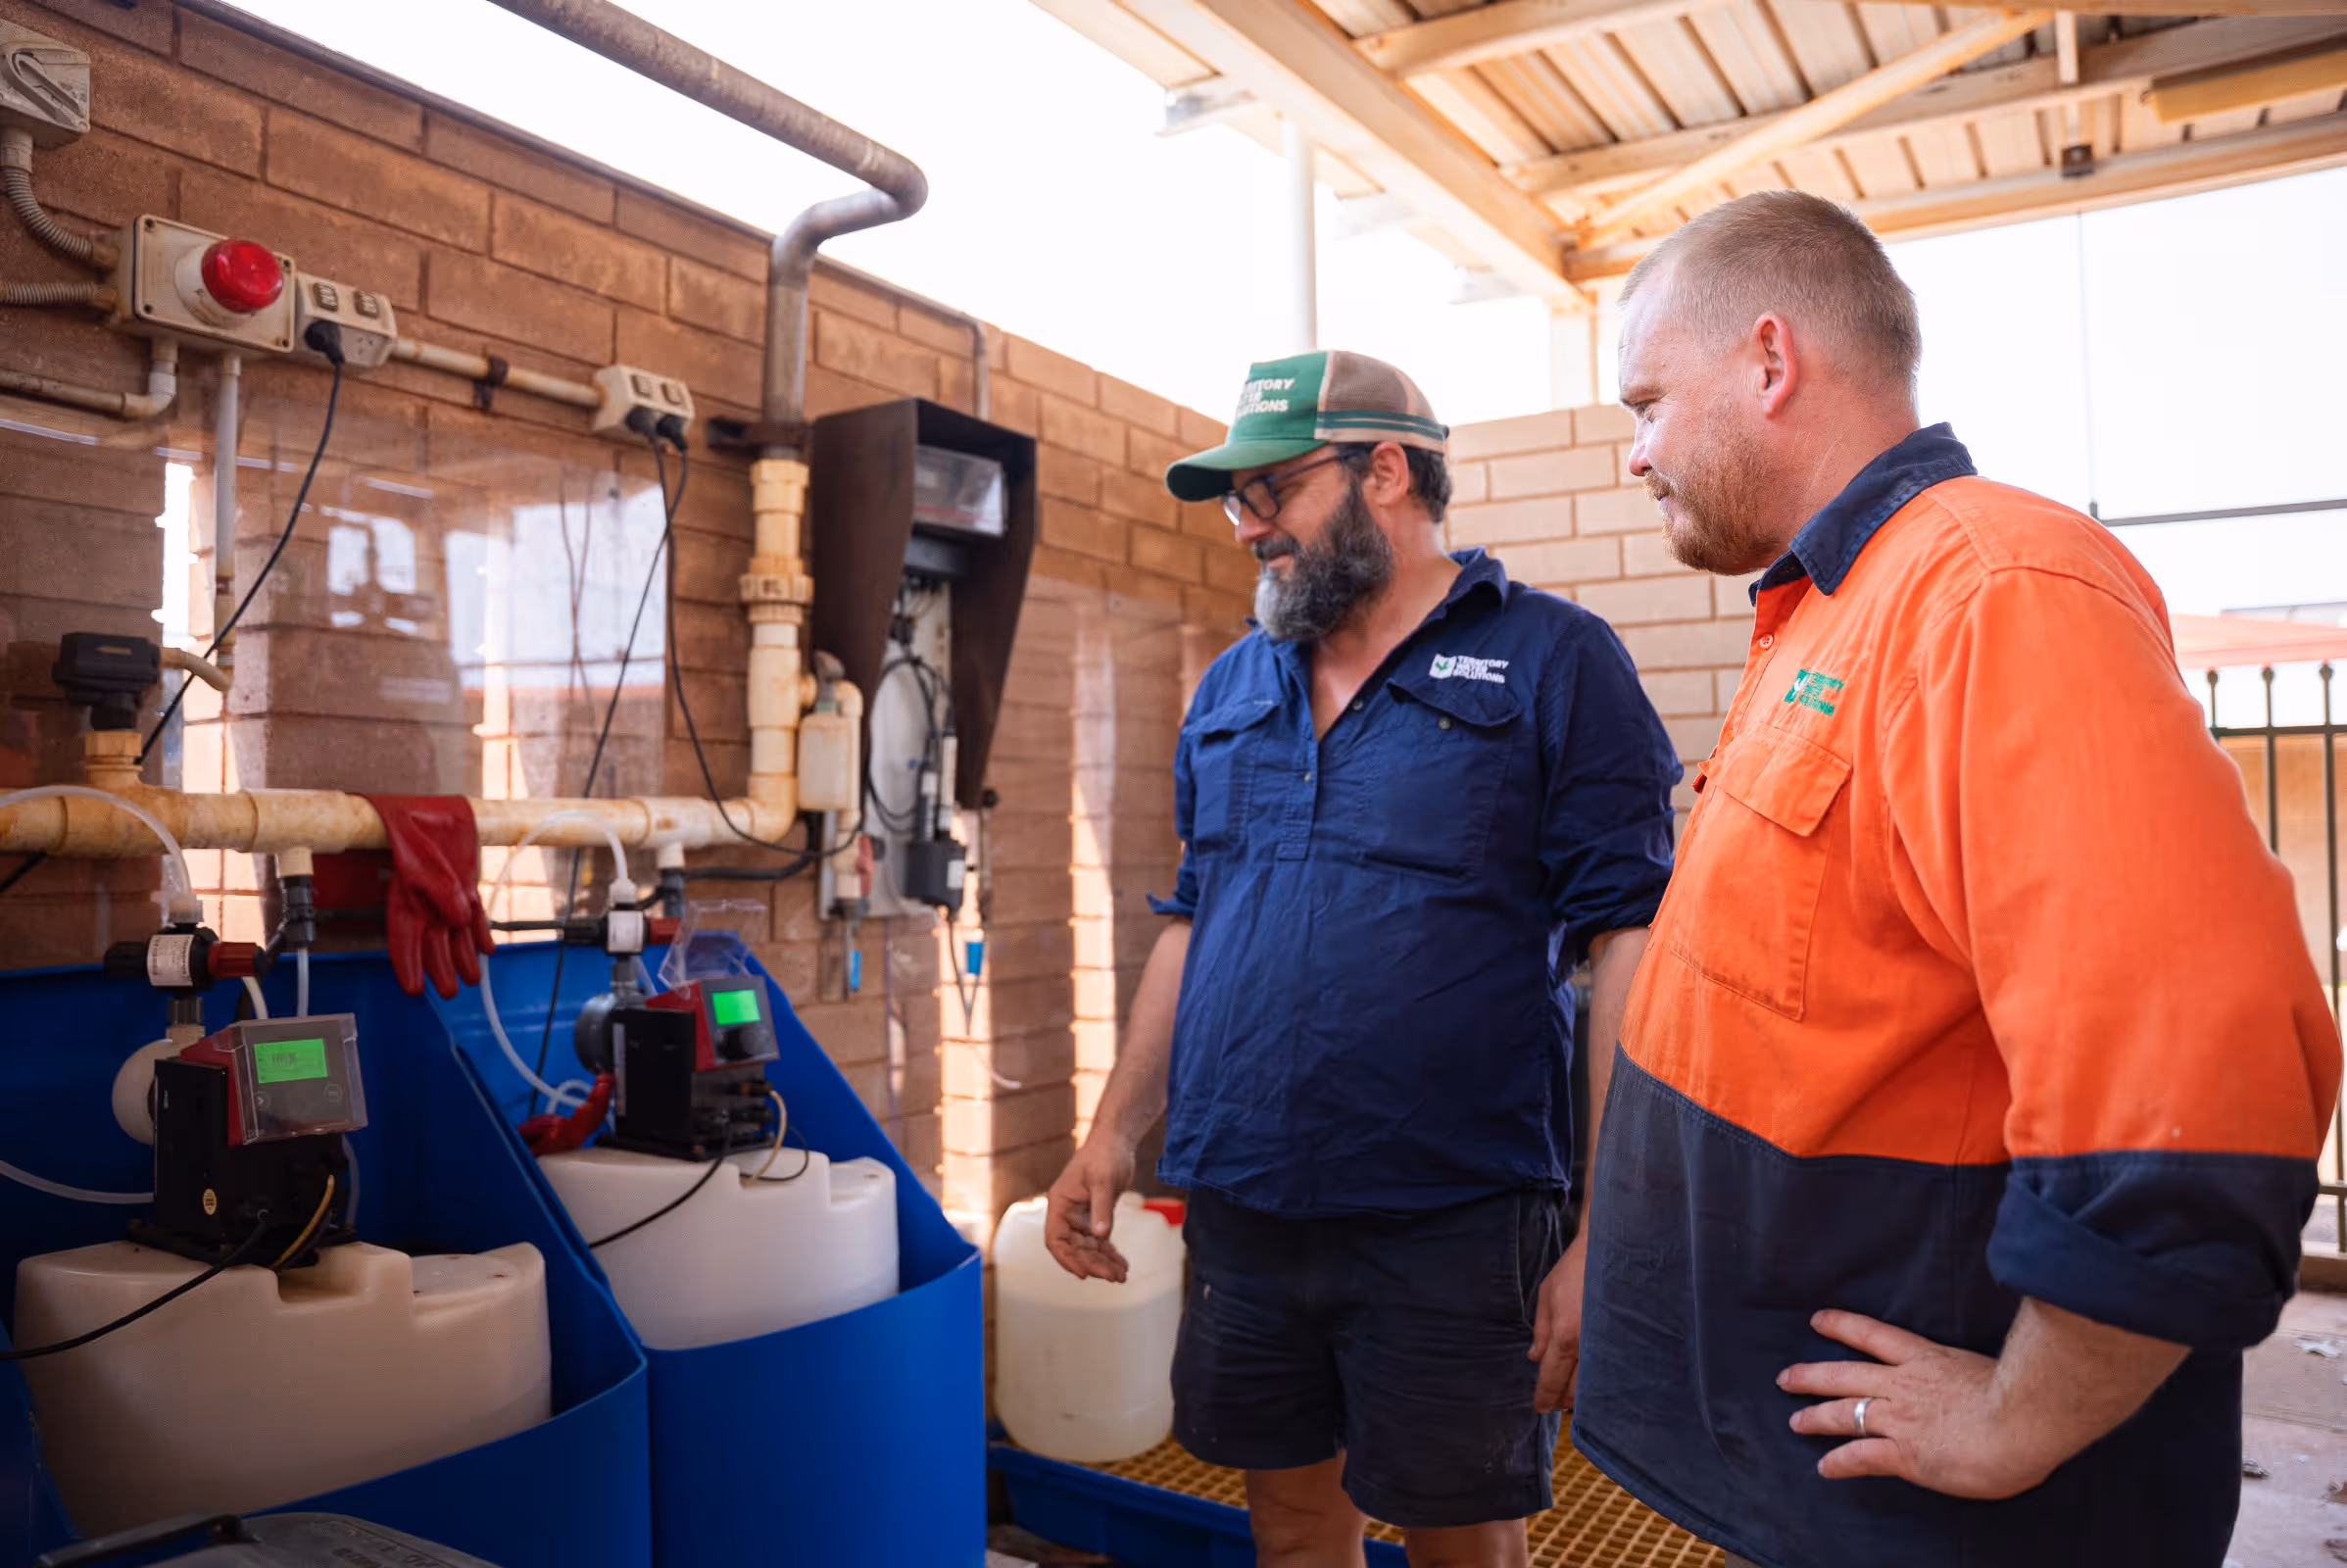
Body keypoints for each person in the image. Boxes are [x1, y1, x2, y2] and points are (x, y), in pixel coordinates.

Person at [1572, 189, 2342, 1568]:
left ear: (1766, 362)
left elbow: (2193, 1092)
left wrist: (2013, 1418)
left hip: (1945, 1522)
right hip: (1816, 1490)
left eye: (1643, 403)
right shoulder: (1829, 611)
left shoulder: (1991, 590)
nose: (1633, 454)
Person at [1041, 349, 1681, 1566]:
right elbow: (1192, 919)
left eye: (1271, 490)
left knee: (1461, 1534)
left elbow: (1630, 938)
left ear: (1384, 470)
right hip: (1246, 1196)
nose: (1248, 527)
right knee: (1287, 1517)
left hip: (1452, 1205)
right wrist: (1114, 1132)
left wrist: (1614, 1222)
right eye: (1236, 501)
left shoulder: (1554, 657)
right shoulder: (1234, 683)